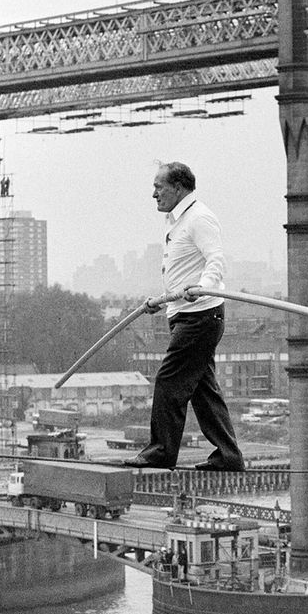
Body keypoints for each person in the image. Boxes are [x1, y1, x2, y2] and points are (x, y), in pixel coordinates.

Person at [126, 162, 245, 472]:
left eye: (159, 187)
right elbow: (182, 270)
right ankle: (228, 456)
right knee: (203, 391)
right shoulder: (177, 221)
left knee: (168, 379)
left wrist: (202, 288)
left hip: (200, 317)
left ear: (178, 188)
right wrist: (161, 301)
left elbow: (215, 262)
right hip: (184, 314)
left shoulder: (200, 218)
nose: (153, 194)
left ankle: (161, 452)